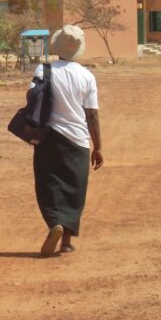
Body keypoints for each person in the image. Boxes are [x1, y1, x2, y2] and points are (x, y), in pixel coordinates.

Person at [32, 24, 104, 256]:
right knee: (75, 189)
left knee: (48, 184)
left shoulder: (44, 70)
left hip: (48, 138)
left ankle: (55, 223)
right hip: (78, 141)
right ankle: (67, 242)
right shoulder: (87, 76)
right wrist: (98, 146)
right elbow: (91, 114)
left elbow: (31, 95)